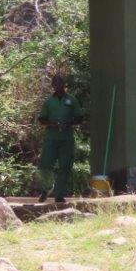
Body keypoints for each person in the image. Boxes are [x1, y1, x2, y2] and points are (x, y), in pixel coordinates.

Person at [37, 74, 83, 203]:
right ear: (52, 85)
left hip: (66, 138)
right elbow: (41, 119)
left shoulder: (72, 100)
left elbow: (79, 117)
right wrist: (52, 124)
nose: (58, 85)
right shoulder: (48, 102)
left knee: (65, 165)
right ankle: (46, 189)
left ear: (64, 84)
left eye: (60, 83)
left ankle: (59, 194)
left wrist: (69, 123)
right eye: (55, 83)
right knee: (45, 164)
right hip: (51, 138)